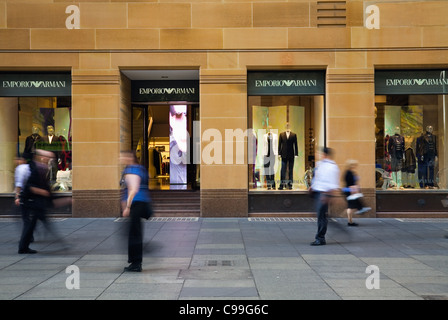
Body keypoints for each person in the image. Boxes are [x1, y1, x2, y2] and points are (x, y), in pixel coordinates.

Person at [18, 150, 56, 254]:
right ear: (41, 157)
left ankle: (24, 247)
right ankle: (23, 247)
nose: (48, 160)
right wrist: (43, 192)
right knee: (29, 224)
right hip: (28, 200)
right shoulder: (34, 167)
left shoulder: (42, 168)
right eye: (47, 157)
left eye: (50, 158)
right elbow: (30, 186)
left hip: (35, 201)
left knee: (32, 224)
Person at [120, 150, 153, 272]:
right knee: (134, 233)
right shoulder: (141, 168)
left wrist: (127, 207)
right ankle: (136, 260)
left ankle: (136, 263)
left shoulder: (132, 170)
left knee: (134, 234)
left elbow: (133, 190)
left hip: (136, 204)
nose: (121, 158)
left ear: (130, 157)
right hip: (142, 202)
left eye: (122, 156)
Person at [309, 147, 340, 246]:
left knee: (322, 216)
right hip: (318, 193)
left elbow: (333, 182)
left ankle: (320, 238)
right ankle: (320, 236)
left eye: (320, 154)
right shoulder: (320, 164)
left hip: (324, 194)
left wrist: (328, 195)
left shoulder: (332, 167)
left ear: (325, 155)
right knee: (320, 215)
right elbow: (318, 178)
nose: (319, 155)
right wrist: (312, 186)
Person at [342, 160, 371, 227]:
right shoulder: (349, 173)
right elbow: (350, 184)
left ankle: (351, 220)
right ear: (351, 165)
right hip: (350, 191)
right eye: (354, 165)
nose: (355, 166)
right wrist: (354, 191)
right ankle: (351, 219)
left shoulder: (350, 172)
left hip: (350, 190)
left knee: (351, 206)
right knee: (351, 206)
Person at [14, 156, 33, 243]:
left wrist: (17, 196)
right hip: (30, 195)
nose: (15, 161)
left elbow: (19, 183)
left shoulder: (20, 168)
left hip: (24, 195)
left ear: (22, 160)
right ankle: (29, 236)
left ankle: (27, 237)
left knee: (25, 218)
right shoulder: (29, 167)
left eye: (17, 159)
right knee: (28, 217)